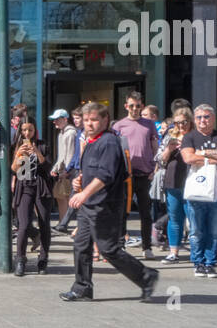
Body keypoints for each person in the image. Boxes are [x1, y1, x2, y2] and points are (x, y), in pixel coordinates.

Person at [59, 103, 158, 302]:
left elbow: (105, 174)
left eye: (94, 120)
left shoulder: (109, 142)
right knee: (81, 245)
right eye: (86, 120)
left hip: (106, 205)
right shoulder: (91, 142)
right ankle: (82, 287)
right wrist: (80, 180)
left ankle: (146, 276)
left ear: (105, 120)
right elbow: (90, 171)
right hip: (90, 206)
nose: (89, 124)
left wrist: (84, 194)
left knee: (108, 249)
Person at [180, 104, 217, 278]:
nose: (202, 120)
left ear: (213, 118)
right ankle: (198, 263)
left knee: (214, 231)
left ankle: (210, 263)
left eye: (206, 117)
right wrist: (216, 156)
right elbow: (188, 158)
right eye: (199, 117)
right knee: (196, 231)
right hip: (195, 192)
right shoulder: (189, 137)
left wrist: (202, 153)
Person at [112, 90, 160, 259]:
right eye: (131, 106)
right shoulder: (118, 126)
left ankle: (147, 247)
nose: (134, 109)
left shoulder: (149, 124)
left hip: (144, 174)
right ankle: (120, 245)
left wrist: (155, 168)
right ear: (126, 106)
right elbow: (114, 149)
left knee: (145, 213)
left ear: (142, 106)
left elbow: (155, 146)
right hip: (125, 176)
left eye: (137, 106)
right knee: (122, 212)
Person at [11, 120, 55, 276]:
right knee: (23, 225)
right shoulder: (17, 145)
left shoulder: (43, 145)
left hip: (42, 186)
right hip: (25, 186)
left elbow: (48, 166)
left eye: (30, 130)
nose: (27, 133)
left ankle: (43, 260)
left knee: (44, 223)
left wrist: (36, 151)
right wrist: (18, 155)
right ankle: (20, 260)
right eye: (24, 130)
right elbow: (14, 169)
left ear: (35, 130)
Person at [157, 108, 193, 264]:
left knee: (193, 219)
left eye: (183, 122)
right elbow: (159, 160)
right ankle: (173, 252)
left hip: (192, 181)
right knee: (174, 217)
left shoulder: (195, 136)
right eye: (177, 123)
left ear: (190, 121)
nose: (180, 126)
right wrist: (169, 150)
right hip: (172, 180)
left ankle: (197, 252)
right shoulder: (170, 135)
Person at [48, 109, 77, 226]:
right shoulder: (61, 133)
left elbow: (69, 154)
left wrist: (66, 171)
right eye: (54, 120)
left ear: (65, 119)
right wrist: (55, 168)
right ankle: (62, 222)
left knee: (65, 196)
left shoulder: (70, 133)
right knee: (61, 196)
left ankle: (63, 223)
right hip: (63, 169)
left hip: (68, 171)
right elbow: (61, 155)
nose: (54, 122)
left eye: (57, 119)